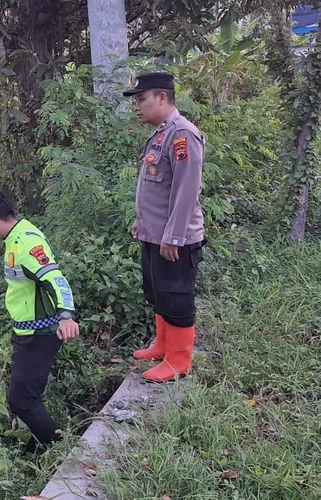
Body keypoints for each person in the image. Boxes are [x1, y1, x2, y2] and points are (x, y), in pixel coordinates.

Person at [0, 189, 79, 452]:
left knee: (21, 400)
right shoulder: (16, 236)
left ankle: (56, 446)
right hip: (27, 333)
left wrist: (67, 316)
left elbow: (55, 278)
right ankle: (45, 442)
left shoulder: (24, 244)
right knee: (25, 395)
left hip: (40, 335)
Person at [123, 72, 206, 383]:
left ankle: (179, 360)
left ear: (162, 98)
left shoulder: (183, 134)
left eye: (142, 99)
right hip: (154, 234)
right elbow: (157, 188)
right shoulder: (161, 134)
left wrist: (173, 236)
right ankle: (162, 346)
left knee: (176, 296)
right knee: (157, 293)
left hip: (176, 239)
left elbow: (186, 192)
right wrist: (142, 223)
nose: (137, 106)